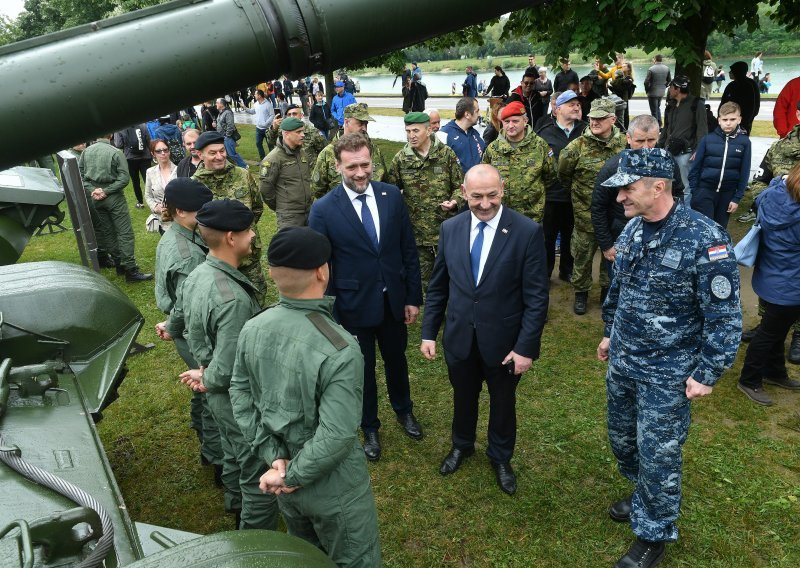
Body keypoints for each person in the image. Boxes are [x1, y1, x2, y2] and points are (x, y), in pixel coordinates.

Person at [597, 148, 741, 568]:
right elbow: (619, 289)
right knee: (623, 439)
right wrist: (610, 332)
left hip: (669, 373)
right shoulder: (633, 231)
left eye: (627, 188)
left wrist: (707, 372)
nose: (620, 197)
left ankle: (652, 533)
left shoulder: (705, 239)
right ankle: (642, 493)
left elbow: (725, 317)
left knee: (659, 452)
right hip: (625, 360)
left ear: (658, 187)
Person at [229, 226, 381, 567]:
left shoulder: (254, 326)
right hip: (332, 488)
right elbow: (338, 434)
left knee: (306, 557)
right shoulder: (340, 348)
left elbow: (239, 393)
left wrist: (274, 458)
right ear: (321, 271)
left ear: (271, 273)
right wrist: (291, 475)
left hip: (280, 472)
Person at [421, 164, 548, 495]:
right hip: (460, 338)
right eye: (476, 196)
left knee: (503, 402)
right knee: (463, 396)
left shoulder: (526, 231)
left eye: (492, 195)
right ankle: (462, 444)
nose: (485, 203)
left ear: (503, 188)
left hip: (505, 343)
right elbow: (438, 287)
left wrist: (525, 348)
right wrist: (428, 332)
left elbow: (536, 298)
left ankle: (501, 456)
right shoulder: (450, 228)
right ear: (464, 193)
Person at [308, 133, 423, 463]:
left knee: (397, 360)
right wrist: (328, 312)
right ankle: (369, 426)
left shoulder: (391, 197)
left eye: (365, 165)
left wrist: (412, 297)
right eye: (352, 166)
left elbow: (407, 250)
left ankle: (404, 410)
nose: (360, 173)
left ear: (373, 161)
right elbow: (320, 267)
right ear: (337, 166)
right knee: (362, 370)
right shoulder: (324, 209)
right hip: (351, 307)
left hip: (392, 302)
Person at [178, 198, 279, 531]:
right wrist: (209, 377)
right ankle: (254, 542)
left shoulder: (198, 275)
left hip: (217, 396)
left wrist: (204, 373)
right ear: (232, 238)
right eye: (249, 230)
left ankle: (234, 506)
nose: (253, 235)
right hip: (237, 399)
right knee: (256, 475)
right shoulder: (232, 299)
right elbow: (231, 364)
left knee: (233, 455)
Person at [153, 178, 222, 484]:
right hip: (196, 335)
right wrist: (173, 325)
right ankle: (220, 460)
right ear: (180, 211)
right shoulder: (188, 255)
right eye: (200, 211)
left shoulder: (179, 237)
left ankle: (208, 450)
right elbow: (190, 304)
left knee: (201, 390)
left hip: (183, 329)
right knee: (213, 395)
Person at [592, 114, 685, 283]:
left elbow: (678, 193)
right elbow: (598, 207)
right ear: (628, 137)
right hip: (621, 234)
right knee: (620, 283)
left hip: (661, 234)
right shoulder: (614, 167)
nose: (646, 147)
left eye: (651, 140)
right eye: (640, 141)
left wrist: (677, 227)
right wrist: (606, 245)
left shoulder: (667, 162)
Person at [737, 165, 800, 406]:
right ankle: (749, 379)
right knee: (769, 333)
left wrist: (781, 179)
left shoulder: (774, 195)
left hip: (772, 275)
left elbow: (771, 184)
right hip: (790, 283)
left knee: (776, 328)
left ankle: (774, 372)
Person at [558, 98, 626, 314]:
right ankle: (581, 294)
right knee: (582, 257)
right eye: (592, 118)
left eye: (600, 118)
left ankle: (608, 293)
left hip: (615, 217)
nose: (594, 122)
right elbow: (563, 176)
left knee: (613, 256)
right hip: (585, 217)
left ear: (613, 119)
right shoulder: (576, 148)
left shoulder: (624, 145)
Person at [191, 131, 267, 304]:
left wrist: (243, 233)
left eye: (222, 151)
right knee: (228, 304)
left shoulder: (242, 175)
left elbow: (256, 207)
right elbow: (194, 225)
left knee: (257, 299)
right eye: (212, 153)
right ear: (200, 154)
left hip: (249, 258)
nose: (219, 156)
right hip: (219, 263)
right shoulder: (195, 185)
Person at [386, 112, 461, 283]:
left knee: (451, 281)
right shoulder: (401, 159)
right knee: (422, 284)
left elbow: (460, 187)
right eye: (408, 131)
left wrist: (455, 202)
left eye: (415, 131)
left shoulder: (446, 154)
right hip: (416, 235)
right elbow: (391, 192)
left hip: (445, 231)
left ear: (428, 131)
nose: (411, 136)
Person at [79, 134, 152, 282]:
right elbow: (124, 178)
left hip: (96, 197)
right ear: (111, 135)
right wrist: (105, 191)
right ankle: (130, 269)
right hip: (113, 197)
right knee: (124, 232)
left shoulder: (86, 152)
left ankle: (119, 263)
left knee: (108, 231)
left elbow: (81, 175)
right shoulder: (115, 152)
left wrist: (93, 189)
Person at [536, 90, 587, 281]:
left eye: (578, 105)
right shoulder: (544, 132)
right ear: (557, 109)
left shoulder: (585, 130)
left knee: (570, 237)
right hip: (552, 196)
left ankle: (567, 270)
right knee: (547, 239)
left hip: (577, 196)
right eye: (571, 104)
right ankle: (545, 274)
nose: (576, 107)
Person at [482, 101, 555, 223]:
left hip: (531, 215)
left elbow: (551, 175)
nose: (510, 126)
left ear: (525, 121)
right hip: (500, 215)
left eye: (515, 121)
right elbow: (484, 176)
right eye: (506, 122)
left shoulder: (540, 146)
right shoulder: (493, 148)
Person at [688, 101, 751, 228]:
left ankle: (718, 248)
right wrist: (696, 192)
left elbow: (744, 172)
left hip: (727, 194)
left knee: (720, 229)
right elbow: (695, 168)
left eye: (732, 119)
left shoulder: (745, 142)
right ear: (719, 120)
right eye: (725, 119)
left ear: (739, 119)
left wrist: (736, 198)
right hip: (705, 191)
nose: (728, 123)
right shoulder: (707, 140)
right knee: (704, 228)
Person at [312, 102, 388, 199]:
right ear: (347, 122)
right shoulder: (328, 154)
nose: (364, 128)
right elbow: (317, 192)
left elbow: (385, 182)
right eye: (360, 123)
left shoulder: (373, 149)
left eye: (366, 123)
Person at [659, 75, 708, 203]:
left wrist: (698, 150)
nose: (669, 89)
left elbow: (702, 130)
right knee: (667, 184)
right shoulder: (670, 104)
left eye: (671, 87)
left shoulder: (697, 104)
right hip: (668, 151)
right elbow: (666, 128)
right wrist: (659, 145)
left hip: (685, 154)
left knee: (685, 186)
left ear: (677, 89)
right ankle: (670, 213)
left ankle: (685, 215)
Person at [259, 117, 313, 230]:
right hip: (289, 217)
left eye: (303, 131)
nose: (302, 135)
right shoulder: (273, 159)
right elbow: (266, 190)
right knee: (292, 246)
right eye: (298, 132)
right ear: (286, 134)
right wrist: (283, 206)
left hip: (309, 211)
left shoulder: (302, 153)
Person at [438, 97, 486, 174]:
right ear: (467, 115)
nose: (479, 115)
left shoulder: (475, 134)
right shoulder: (444, 135)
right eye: (477, 111)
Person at [113, 123, 151, 208]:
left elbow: (119, 144)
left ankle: (140, 203)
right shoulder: (142, 125)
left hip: (130, 158)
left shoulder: (120, 128)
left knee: (135, 181)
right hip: (145, 156)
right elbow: (148, 139)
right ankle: (154, 200)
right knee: (148, 180)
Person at [144, 139, 178, 234]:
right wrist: (155, 207)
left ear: (169, 151)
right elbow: (148, 195)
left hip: (179, 221)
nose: (163, 153)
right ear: (153, 154)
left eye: (165, 150)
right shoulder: (150, 172)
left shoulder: (179, 170)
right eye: (158, 151)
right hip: (162, 222)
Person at [720, 61, 760, 135]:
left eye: (732, 71)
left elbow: (753, 106)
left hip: (743, 123)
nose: (729, 72)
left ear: (737, 72)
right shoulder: (731, 85)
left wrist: (746, 122)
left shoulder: (748, 85)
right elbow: (723, 103)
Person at [243, 89, 275, 161]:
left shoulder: (268, 104)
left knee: (270, 145)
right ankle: (263, 159)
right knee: (258, 144)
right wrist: (245, 107)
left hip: (267, 129)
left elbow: (272, 115)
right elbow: (252, 111)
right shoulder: (256, 104)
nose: (254, 95)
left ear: (259, 96)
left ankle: (272, 160)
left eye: (255, 94)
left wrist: (266, 123)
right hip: (258, 128)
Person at [215, 98, 247, 168]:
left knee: (232, 154)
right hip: (222, 137)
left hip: (227, 137)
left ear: (221, 104)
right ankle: (230, 166)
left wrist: (227, 136)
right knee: (226, 154)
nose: (215, 104)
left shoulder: (227, 112)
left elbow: (230, 125)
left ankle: (244, 166)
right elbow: (221, 124)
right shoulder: (221, 112)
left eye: (217, 102)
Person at [644, 54, 671, 126]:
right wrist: (664, 87)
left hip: (652, 92)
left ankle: (655, 126)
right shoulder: (667, 68)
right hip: (661, 92)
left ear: (655, 59)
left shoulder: (651, 69)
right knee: (657, 108)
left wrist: (647, 90)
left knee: (654, 111)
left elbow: (646, 82)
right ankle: (659, 123)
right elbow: (669, 81)